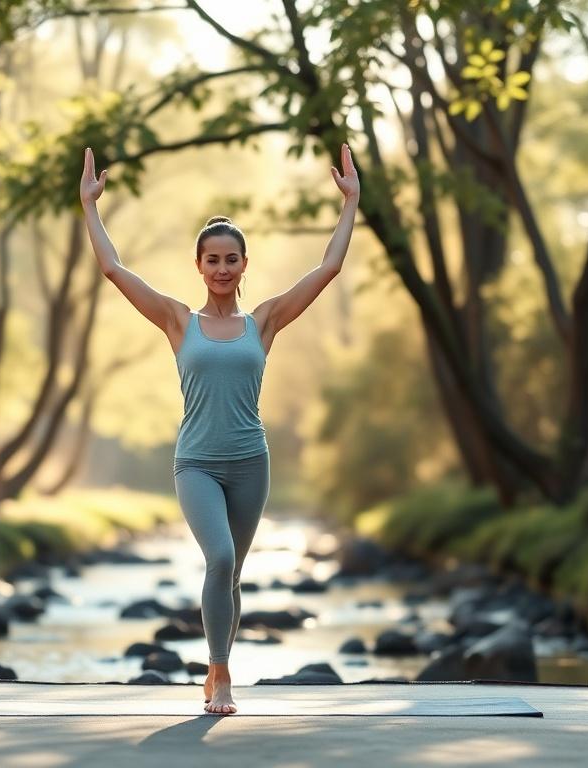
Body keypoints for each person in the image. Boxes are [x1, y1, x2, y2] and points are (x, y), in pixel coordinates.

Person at [79, 143, 360, 715]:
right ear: (199, 266)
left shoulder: (266, 321)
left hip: (250, 464)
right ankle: (220, 674)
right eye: (213, 260)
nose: (222, 269)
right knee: (221, 560)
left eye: (232, 259)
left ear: (244, 266)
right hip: (197, 464)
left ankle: (216, 669)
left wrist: (350, 202)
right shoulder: (180, 321)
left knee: (232, 575)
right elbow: (113, 268)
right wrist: (90, 207)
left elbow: (328, 268)